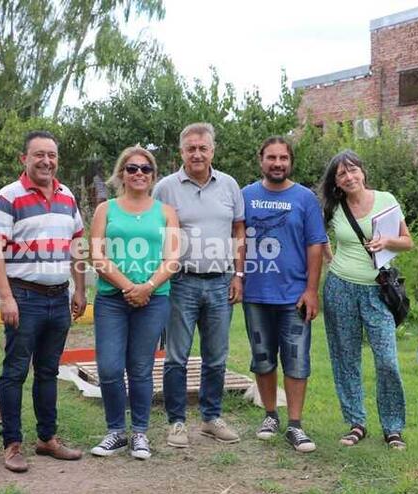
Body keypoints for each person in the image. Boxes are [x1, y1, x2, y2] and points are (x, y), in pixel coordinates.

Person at [0, 130, 87, 473]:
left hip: (59, 299)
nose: (46, 161)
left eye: (52, 155)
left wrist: (81, 289)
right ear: (24, 159)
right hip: (23, 298)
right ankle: (12, 444)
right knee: (15, 372)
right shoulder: (8, 197)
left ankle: (47, 439)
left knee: (48, 371)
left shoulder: (67, 196)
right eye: (39, 154)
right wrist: (5, 297)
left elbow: (76, 247)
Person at [153, 122, 246, 447]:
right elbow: (155, 233)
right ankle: (176, 422)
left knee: (216, 355)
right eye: (190, 148)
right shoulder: (166, 188)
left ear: (212, 151)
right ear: (182, 152)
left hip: (221, 282)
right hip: (181, 283)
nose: (196, 153)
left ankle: (210, 418)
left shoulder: (229, 186)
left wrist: (238, 275)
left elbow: (238, 232)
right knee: (177, 356)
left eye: (202, 148)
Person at [89, 146, 180, 460]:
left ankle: (140, 433)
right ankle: (116, 431)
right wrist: (130, 287)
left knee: (141, 368)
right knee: (110, 366)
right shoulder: (106, 210)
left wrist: (148, 287)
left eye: (145, 169)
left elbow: (173, 258)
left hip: (154, 300)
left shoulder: (166, 212)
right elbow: (97, 256)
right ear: (121, 174)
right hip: (112, 299)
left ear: (153, 176)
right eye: (132, 168)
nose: (139, 173)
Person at [319, 149, 413, 450]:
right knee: (345, 358)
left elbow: (407, 241)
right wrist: (329, 258)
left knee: (387, 361)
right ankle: (356, 422)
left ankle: (393, 427)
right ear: (336, 182)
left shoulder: (386, 200)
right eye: (341, 174)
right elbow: (316, 236)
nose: (349, 177)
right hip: (340, 288)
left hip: (376, 291)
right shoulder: (333, 207)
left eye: (353, 170)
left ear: (362, 171)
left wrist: (386, 241)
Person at [242, 136, 327, 453]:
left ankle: (295, 425)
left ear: (290, 162)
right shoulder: (245, 196)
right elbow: (235, 238)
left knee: (296, 359)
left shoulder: (304, 198)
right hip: (256, 293)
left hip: (294, 295)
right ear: (260, 159)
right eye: (271, 158)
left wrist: (311, 290)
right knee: (263, 358)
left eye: (283, 158)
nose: (277, 163)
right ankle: (269, 415)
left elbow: (315, 245)